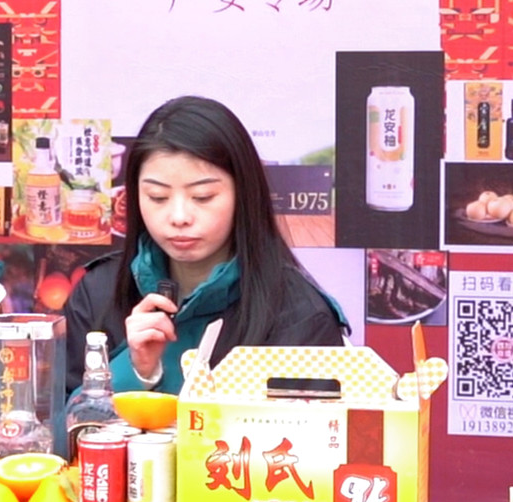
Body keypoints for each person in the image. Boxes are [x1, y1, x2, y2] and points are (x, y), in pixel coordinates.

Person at [66, 95, 346, 395]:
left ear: (243, 194)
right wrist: (134, 370)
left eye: (203, 197)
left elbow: (316, 424)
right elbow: (59, 419)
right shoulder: (98, 292)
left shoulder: (301, 316)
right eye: (158, 197)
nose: (179, 217)